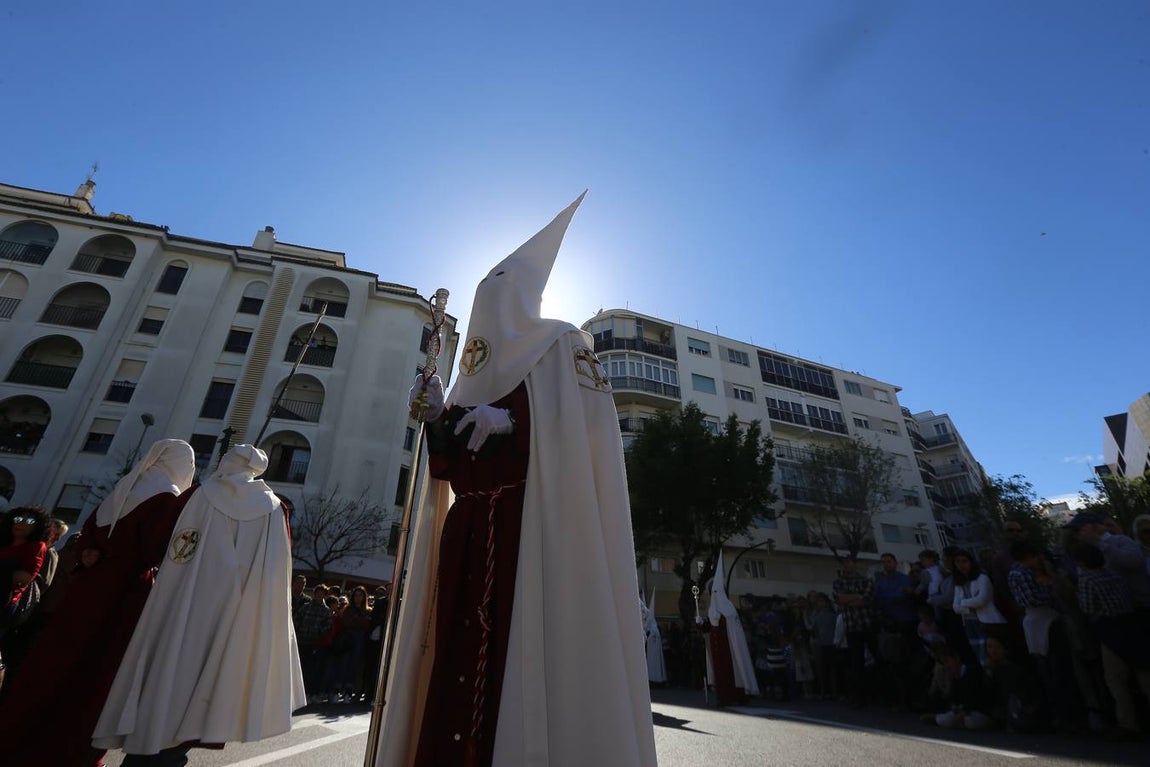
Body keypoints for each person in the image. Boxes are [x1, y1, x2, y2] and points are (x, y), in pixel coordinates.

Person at [378, 195, 657, 767]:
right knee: (454, 655)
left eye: (501, 285)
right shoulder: (470, 371)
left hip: (532, 528)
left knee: (518, 655)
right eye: (486, 286)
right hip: (469, 530)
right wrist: (436, 417)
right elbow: (451, 465)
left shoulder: (561, 345)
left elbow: (585, 433)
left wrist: (514, 420)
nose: (491, 296)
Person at [92, 444, 305, 765]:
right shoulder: (274, 509)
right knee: (210, 684)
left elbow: (155, 542)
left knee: (165, 678)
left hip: (181, 607)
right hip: (236, 615)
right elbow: (277, 570)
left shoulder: (197, 495)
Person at [0, 440, 196, 767]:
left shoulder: (125, 487)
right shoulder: (167, 497)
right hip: (124, 592)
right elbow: (154, 548)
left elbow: (88, 533)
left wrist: (91, 553)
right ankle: (71, 752)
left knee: (53, 660)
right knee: (98, 672)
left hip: (89, 585)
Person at [832, 556, 878, 706]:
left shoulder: (866, 580)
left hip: (867, 623)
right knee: (856, 663)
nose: (847, 566)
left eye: (850, 563)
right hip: (851, 626)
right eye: (844, 564)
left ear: (855, 565)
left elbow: (866, 599)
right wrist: (856, 596)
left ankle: (882, 694)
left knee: (878, 658)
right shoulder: (838, 582)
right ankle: (859, 697)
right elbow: (839, 599)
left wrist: (849, 599)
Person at [951, 549, 1008, 666]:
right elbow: (955, 607)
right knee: (980, 656)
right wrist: (970, 604)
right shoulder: (959, 583)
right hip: (969, 624)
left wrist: (963, 603)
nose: (961, 565)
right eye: (958, 562)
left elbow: (981, 600)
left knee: (993, 655)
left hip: (987, 622)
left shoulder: (982, 578)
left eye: (964, 561)